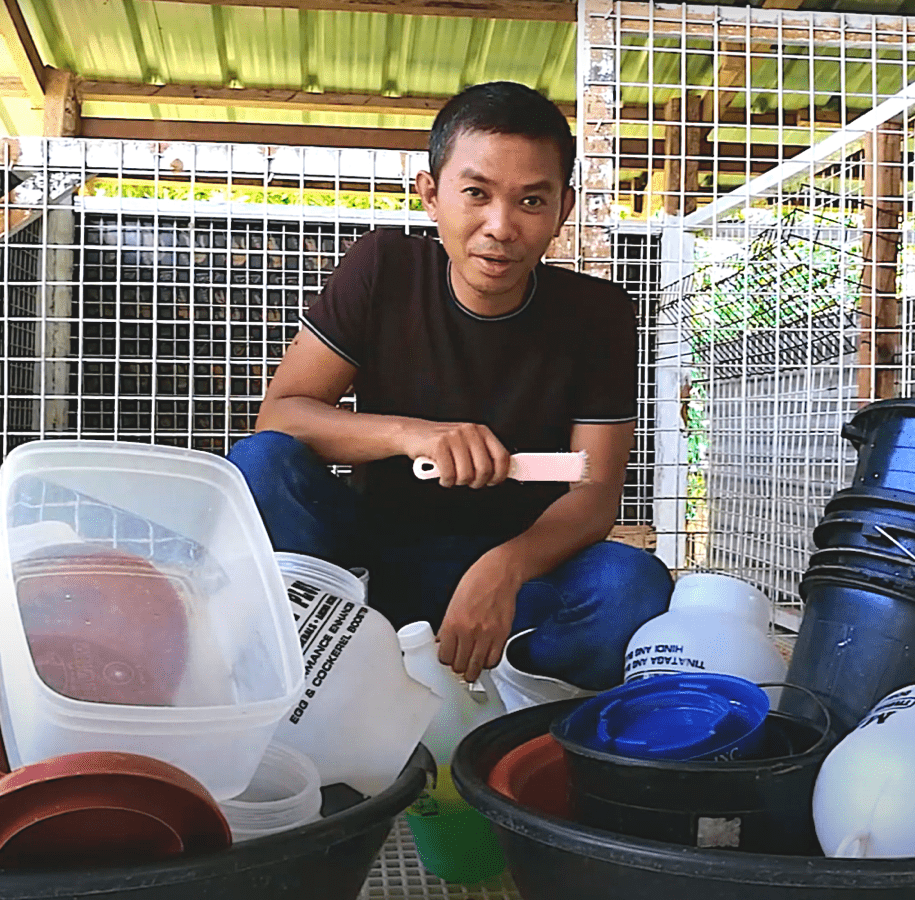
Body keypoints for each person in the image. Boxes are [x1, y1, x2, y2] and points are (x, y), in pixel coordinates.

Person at [227, 81, 671, 689]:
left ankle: (525, 718)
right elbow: (281, 417)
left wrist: (504, 569)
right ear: (431, 194)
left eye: (531, 202)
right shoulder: (384, 268)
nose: (500, 226)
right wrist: (413, 436)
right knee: (263, 464)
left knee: (630, 586)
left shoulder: (599, 315)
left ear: (563, 210)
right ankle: (311, 679)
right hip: (368, 567)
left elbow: (594, 490)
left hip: (519, 580)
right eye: (476, 194)